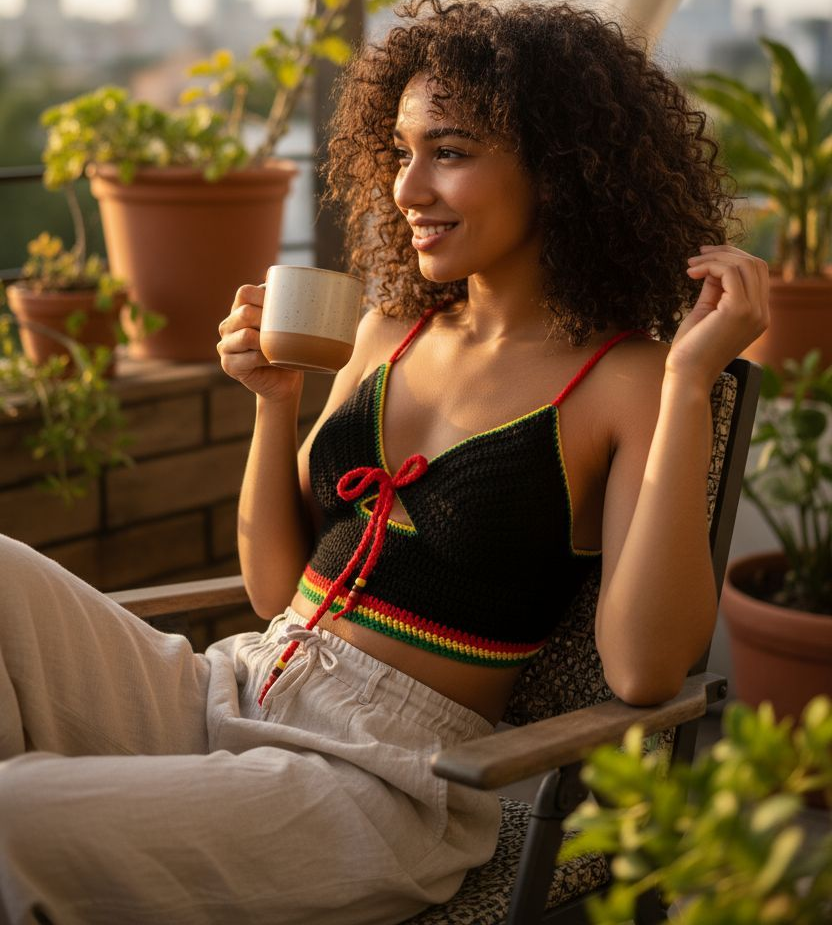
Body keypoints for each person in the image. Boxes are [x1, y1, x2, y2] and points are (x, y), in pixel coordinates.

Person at [0, 1, 768, 923]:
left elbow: (645, 672)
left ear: (560, 170)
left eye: (450, 150)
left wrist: (690, 387)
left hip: (376, 782)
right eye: (401, 152)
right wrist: (273, 402)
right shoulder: (387, 332)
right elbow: (274, 583)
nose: (409, 189)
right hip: (237, 681)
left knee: (16, 813)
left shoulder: (626, 380)